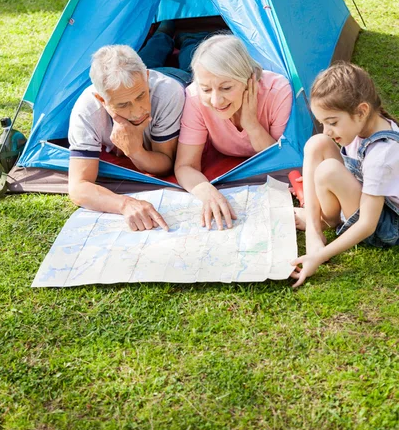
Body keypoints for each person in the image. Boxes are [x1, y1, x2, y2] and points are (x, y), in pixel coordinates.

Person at [290, 62, 399, 288]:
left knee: (328, 170)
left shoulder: (383, 153)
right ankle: (313, 229)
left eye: (332, 123)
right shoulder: (363, 126)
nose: (327, 130)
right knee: (316, 143)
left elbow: (368, 224)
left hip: (384, 226)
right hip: (366, 196)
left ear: (361, 111)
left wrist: (318, 257)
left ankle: (329, 221)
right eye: (322, 122)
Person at [174, 34, 293, 230]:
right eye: (206, 89)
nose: (216, 101)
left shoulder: (277, 91)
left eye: (226, 87)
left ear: (249, 79)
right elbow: (185, 166)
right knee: (183, 53)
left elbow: (282, 165)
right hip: (180, 68)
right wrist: (206, 191)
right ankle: (177, 36)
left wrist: (251, 124)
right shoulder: (195, 96)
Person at [68, 44, 185, 232]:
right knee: (153, 53)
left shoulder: (168, 93)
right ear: (101, 99)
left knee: (187, 54)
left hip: (178, 76)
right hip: (143, 78)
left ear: (146, 78)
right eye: (123, 104)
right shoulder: (86, 111)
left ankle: (174, 34)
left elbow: (166, 163)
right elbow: (78, 187)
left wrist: (134, 150)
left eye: (141, 96)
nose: (137, 110)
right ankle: (162, 34)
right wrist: (125, 204)